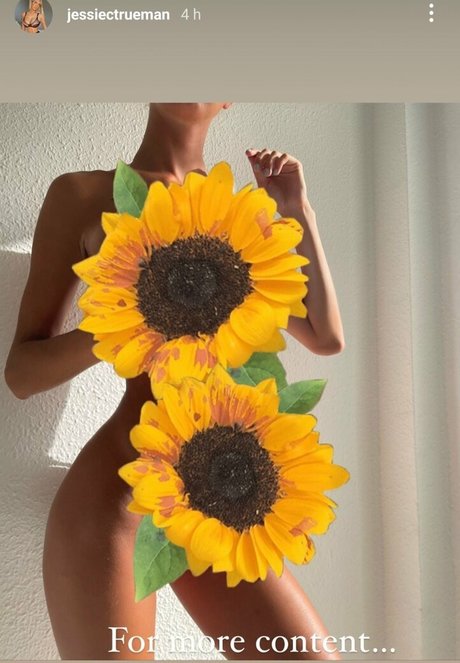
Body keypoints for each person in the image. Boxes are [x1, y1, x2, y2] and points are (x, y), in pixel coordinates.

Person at [4, 103, 345, 661]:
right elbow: (22, 374)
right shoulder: (82, 195)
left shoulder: (240, 214)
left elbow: (325, 336)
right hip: (115, 500)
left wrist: (295, 208)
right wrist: (127, 324)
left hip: (217, 499)